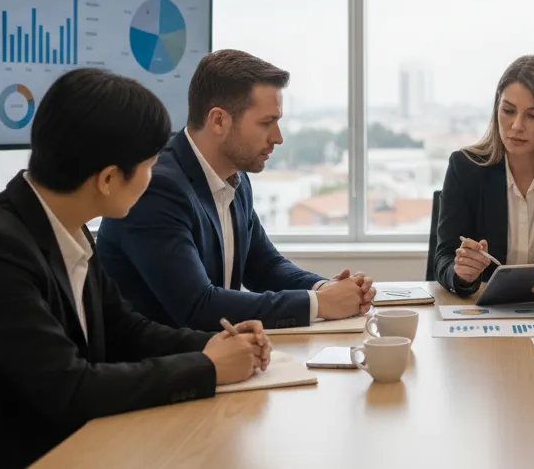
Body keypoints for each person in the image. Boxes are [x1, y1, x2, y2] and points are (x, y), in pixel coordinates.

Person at [0, 69, 268, 469]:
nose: (154, 177)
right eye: (150, 165)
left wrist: (214, 343)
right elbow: (71, 390)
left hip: (39, 461)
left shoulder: (65, 227)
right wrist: (206, 367)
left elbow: (124, 330)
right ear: (108, 179)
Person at [96, 50, 374, 332]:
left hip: (215, 360)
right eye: (267, 122)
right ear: (218, 120)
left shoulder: (234, 177)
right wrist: (320, 303)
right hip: (160, 368)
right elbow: (198, 306)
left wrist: (327, 288)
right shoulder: (158, 187)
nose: (278, 138)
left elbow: (264, 267)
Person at [433, 55, 534, 305]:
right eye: (508, 110)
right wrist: (462, 274)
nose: (516, 126)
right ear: (496, 108)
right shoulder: (465, 167)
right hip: (481, 313)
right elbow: (444, 257)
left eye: (533, 115)